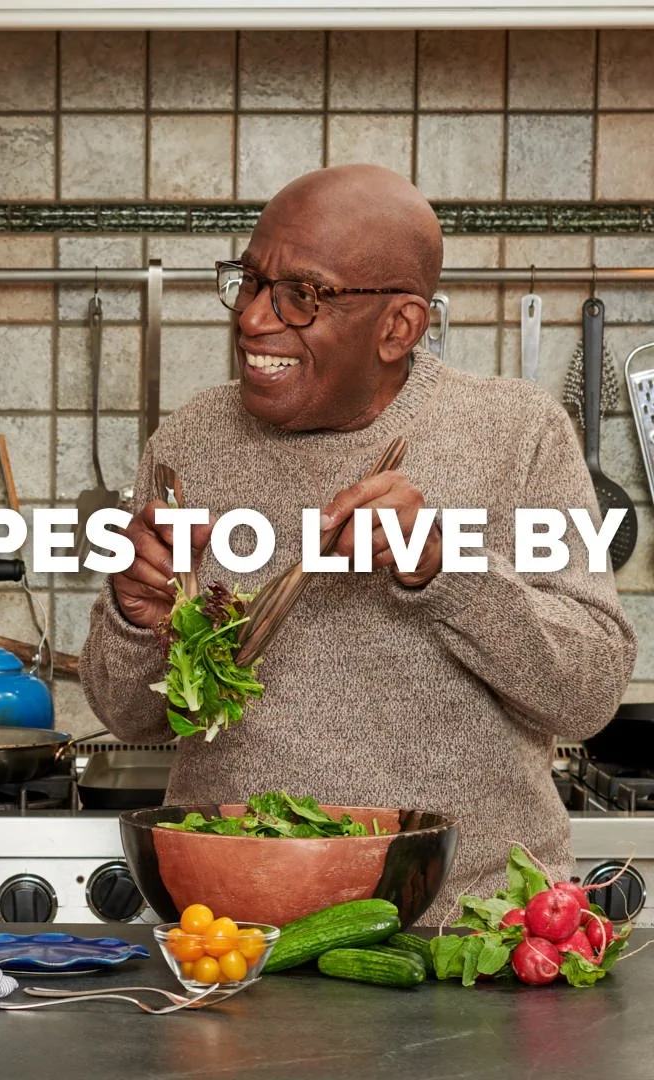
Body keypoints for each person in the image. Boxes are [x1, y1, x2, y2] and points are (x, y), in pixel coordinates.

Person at [80, 164, 637, 919]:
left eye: (301, 296)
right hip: (240, 928)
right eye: (249, 281)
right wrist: (134, 617)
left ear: (398, 327)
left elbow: (589, 692)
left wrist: (446, 567)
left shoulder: (518, 434)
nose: (250, 319)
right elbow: (130, 715)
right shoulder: (193, 440)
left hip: (461, 935)